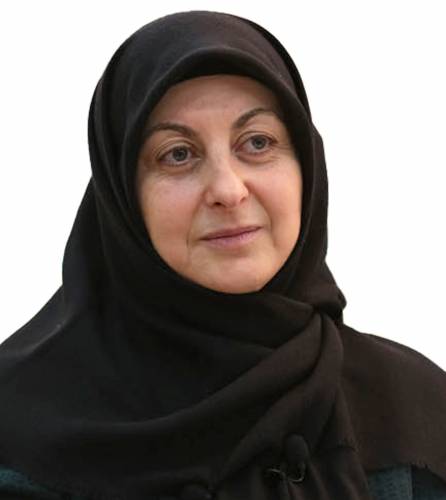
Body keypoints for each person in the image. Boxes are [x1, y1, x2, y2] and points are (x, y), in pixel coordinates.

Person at [0, 10, 445, 500]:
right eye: (177, 154)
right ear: (121, 193)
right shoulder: (18, 426)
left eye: (257, 142)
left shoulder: (414, 408)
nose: (228, 190)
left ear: (306, 165)